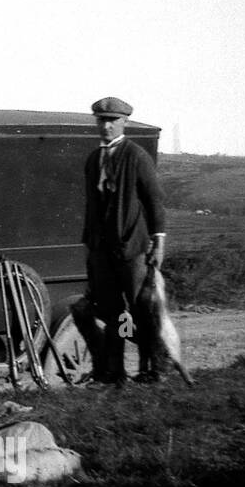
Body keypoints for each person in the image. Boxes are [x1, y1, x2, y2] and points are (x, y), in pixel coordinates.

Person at [75, 96, 167, 388]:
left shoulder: (136, 156)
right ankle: (115, 373)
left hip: (132, 248)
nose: (107, 126)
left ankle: (153, 370)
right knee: (111, 310)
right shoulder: (93, 160)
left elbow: (154, 201)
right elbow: (93, 206)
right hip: (102, 250)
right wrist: (90, 246)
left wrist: (158, 242)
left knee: (141, 308)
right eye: (102, 121)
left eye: (113, 121)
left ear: (124, 122)